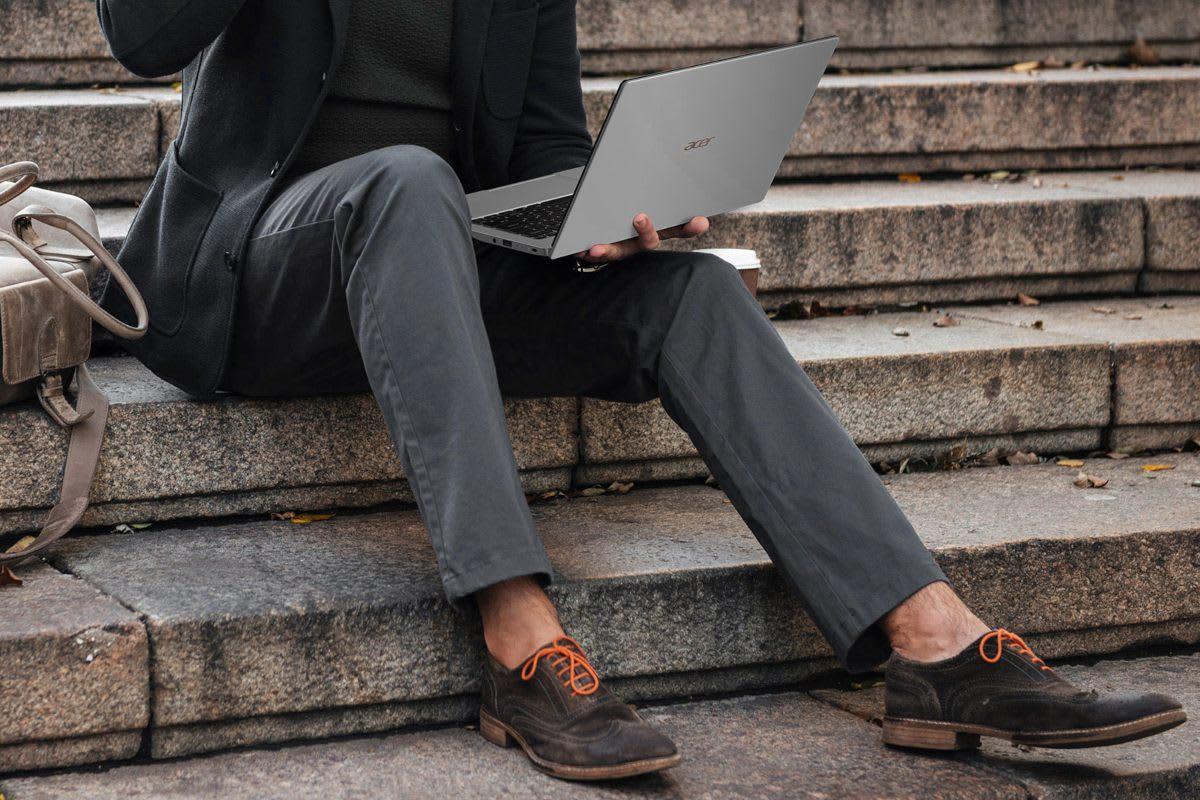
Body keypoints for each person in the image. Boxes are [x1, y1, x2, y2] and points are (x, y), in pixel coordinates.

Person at [97, 0, 1185, 781]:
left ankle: (931, 640)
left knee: (688, 291)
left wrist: (613, 212)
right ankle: (521, 640)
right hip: (260, 273)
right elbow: (137, 36)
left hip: (439, 274)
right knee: (406, 178)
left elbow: (542, 147)